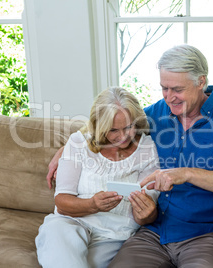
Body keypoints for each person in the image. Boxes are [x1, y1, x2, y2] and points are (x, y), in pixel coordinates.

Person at [47, 44, 213, 268]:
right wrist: (69, 147)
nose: (169, 97)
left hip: (205, 235)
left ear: (201, 82)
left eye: (177, 89)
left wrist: (187, 174)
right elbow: (111, 121)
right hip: (152, 232)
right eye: (163, 88)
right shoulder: (158, 113)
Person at [36, 87, 160, 268]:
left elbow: (143, 216)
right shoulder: (78, 143)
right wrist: (92, 204)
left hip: (114, 234)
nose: (123, 136)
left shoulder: (148, 149)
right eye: (113, 130)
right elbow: (62, 202)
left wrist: (147, 214)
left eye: (129, 126)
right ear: (99, 126)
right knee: (59, 242)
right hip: (70, 222)